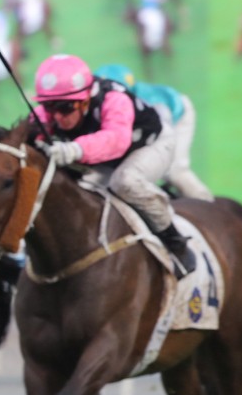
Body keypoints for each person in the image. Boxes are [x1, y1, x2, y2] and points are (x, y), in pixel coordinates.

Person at [29, 53, 193, 278]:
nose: (56, 116)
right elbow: (30, 133)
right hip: (108, 158)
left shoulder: (114, 98)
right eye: (49, 107)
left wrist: (74, 149)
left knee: (124, 182)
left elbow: (116, 140)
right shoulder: (49, 114)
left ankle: (175, 241)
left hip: (151, 145)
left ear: (85, 99)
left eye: (65, 108)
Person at [92, 64, 212, 201]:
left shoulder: (150, 102)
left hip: (177, 116)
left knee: (175, 171)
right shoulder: (107, 101)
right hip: (160, 121)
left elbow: (162, 137)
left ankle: (207, 203)